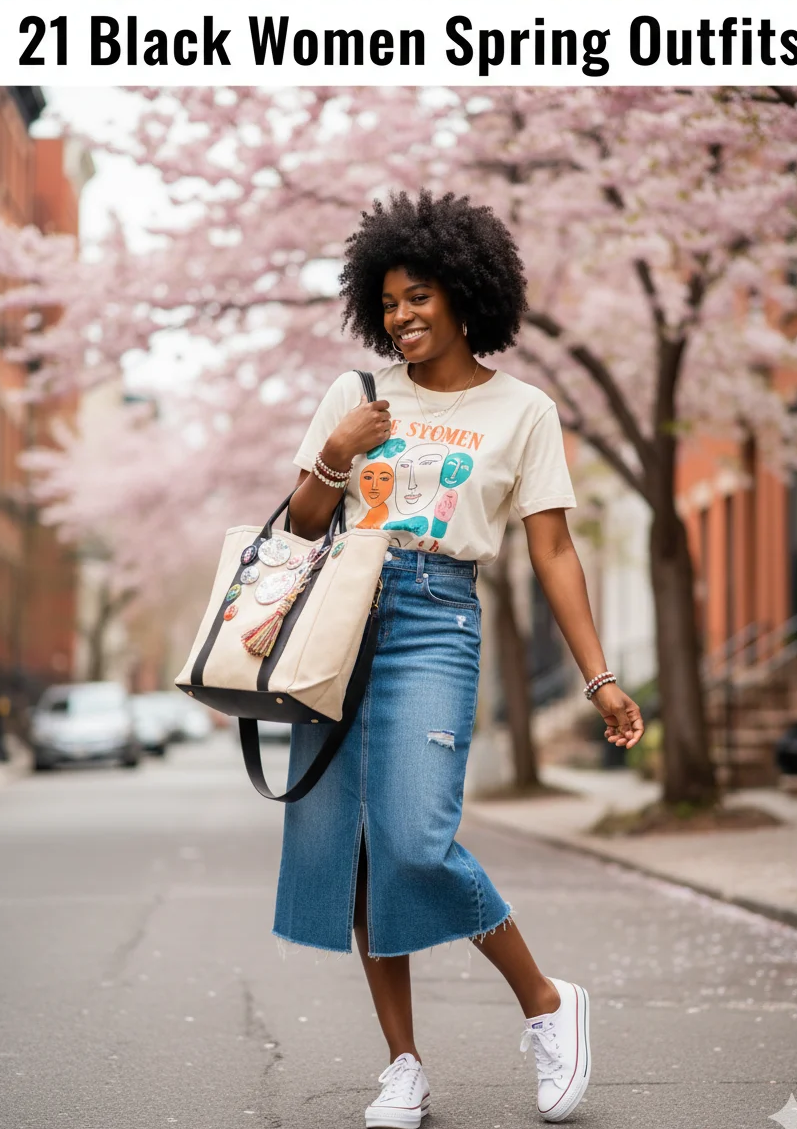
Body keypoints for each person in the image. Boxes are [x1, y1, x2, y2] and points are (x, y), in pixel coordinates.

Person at [283, 189, 645, 1128]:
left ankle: (547, 1002)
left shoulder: (523, 410)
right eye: (390, 300)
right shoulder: (358, 397)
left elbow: (554, 550)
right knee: (361, 854)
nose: (402, 316)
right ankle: (403, 1065)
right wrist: (334, 453)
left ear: (464, 295)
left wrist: (598, 676)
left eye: (421, 297)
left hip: (436, 618)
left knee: (416, 836)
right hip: (341, 620)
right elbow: (299, 525)